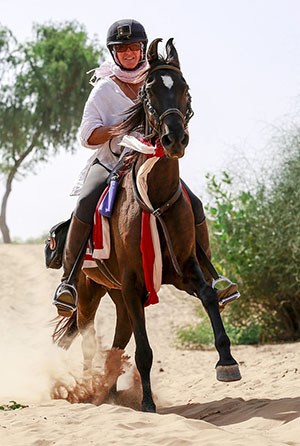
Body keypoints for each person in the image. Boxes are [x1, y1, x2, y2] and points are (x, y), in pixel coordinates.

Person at [53, 19, 237, 318]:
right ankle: (68, 283)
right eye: (122, 49)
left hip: (151, 163)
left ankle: (211, 275)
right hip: (112, 162)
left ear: (142, 50)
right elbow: (87, 136)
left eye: (134, 48)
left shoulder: (156, 80)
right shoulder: (104, 90)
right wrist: (115, 130)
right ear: (114, 53)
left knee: (195, 203)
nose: (128, 54)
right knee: (86, 201)